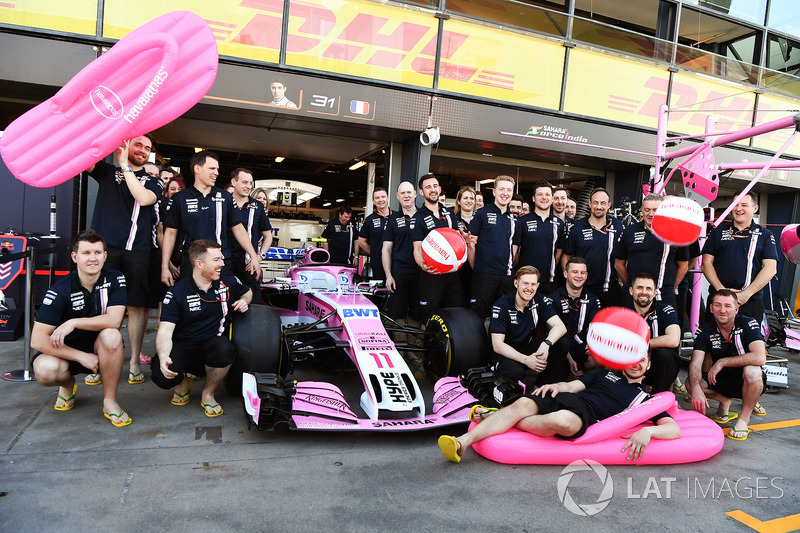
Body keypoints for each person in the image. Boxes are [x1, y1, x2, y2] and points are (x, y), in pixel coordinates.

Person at [438, 351, 681, 463]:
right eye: (633, 357)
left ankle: (497, 416)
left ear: (648, 366)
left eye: (642, 360)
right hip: (570, 399)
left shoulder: (645, 400)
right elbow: (573, 386)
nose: (636, 364)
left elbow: (673, 429)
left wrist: (648, 431)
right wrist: (555, 385)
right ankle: (461, 442)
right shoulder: (604, 374)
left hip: (586, 417)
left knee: (561, 421)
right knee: (524, 402)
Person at [31, 230, 131, 427]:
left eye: (97, 252)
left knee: (112, 336)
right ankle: (68, 386)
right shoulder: (59, 290)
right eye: (86, 253)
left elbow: (115, 321)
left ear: (105, 256)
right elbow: (37, 340)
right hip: (65, 352)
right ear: (75, 257)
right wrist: (80, 356)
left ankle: (109, 401)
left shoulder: (115, 278)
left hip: (98, 346)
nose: (92, 258)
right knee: (44, 370)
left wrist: (73, 322)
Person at [85, 135, 162, 386]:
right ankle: (96, 361)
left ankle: (133, 363)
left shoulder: (154, 181)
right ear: (126, 145)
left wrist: (127, 168)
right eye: (138, 144)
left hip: (138, 251)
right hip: (106, 250)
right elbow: (85, 154)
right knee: (101, 306)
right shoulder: (107, 171)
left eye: (148, 148)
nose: (143, 150)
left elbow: (144, 198)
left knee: (137, 307)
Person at [152, 240, 252, 417]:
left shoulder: (227, 282)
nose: (222, 263)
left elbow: (247, 291)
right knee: (162, 377)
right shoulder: (177, 292)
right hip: (183, 346)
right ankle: (182, 381)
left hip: (211, 345)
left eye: (222, 258)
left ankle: (208, 393)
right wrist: (163, 357)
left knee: (225, 349)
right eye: (216, 260)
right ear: (199, 264)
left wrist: (244, 300)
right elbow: (165, 331)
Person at [160, 151, 261, 286]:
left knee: (222, 305)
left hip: (221, 263)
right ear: (197, 169)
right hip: (192, 265)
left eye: (217, 169)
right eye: (212, 168)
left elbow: (238, 229)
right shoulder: (180, 198)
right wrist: (165, 267)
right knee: (190, 305)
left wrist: (254, 256)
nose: (216, 173)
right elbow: (170, 234)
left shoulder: (225, 197)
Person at [687, 289, 767, 441]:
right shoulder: (705, 329)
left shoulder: (748, 323)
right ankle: (724, 401)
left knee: (753, 371)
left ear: (736, 309)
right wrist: (696, 388)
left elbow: (760, 357)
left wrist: (722, 362)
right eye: (717, 305)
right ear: (711, 308)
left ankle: (743, 419)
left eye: (728, 306)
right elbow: (695, 363)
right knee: (691, 383)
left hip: (745, 380)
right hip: (720, 379)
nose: (722, 310)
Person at [701, 191, 778, 323]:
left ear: (755, 208)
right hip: (718, 300)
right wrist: (722, 291)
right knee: (713, 341)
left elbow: (770, 268)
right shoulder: (717, 231)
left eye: (744, 205)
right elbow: (706, 263)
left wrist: (746, 295)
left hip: (749, 301)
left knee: (749, 342)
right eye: (735, 204)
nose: (738, 208)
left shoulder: (765, 234)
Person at [489, 266, 566, 386]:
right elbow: (497, 345)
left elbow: (560, 327)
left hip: (526, 348)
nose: (529, 288)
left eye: (533, 284)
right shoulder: (501, 305)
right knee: (515, 371)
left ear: (537, 286)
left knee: (561, 343)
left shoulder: (539, 299)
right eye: (525, 283)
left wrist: (545, 345)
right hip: (505, 354)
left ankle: (541, 387)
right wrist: (527, 360)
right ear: (516, 283)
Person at [615, 194, 689, 307]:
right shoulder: (629, 232)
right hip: (633, 297)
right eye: (647, 210)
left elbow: (683, 266)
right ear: (642, 210)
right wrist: (632, 284)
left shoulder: (676, 233)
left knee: (668, 324)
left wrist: (669, 287)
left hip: (664, 296)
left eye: (655, 210)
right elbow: (619, 264)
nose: (651, 214)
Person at [411, 173, 465, 326]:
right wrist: (423, 265)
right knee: (427, 317)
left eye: (435, 186)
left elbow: (457, 240)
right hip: (431, 275)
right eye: (428, 187)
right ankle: (424, 348)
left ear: (440, 189)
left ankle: (451, 348)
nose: (433, 190)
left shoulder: (449, 213)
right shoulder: (418, 218)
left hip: (452, 274)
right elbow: (417, 248)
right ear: (421, 192)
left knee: (454, 314)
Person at [562, 187, 623, 308]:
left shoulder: (618, 226)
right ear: (590, 203)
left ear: (609, 205)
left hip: (610, 290)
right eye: (595, 202)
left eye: (603, 203)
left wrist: (622, 281)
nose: (599, 206)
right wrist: (570, 280)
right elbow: (566, 256)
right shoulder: (577, 227)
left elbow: (623, 257)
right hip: (583, 289)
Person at [383, 181, 422, 365]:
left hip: (422, 273)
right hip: (399, 272)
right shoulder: (392, 220)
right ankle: (399, 348)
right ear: (397, 197)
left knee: (416, 313)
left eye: (409, 192)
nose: (406, 196)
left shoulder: (425, 216)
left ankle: (411, 350)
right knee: (398, 312)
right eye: (402, 193)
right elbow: (386, 250)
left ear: (415, 194)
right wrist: (389, 275)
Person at [467, 175, 517, 319]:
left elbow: (514, 249)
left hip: (506, 276)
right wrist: (476, 269)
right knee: (479, 315)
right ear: (494, 192)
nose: (505, 193)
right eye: (501, 189)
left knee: (502, 316)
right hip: (484, 275)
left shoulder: (514, 219)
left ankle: (495, 342)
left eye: (509, 190)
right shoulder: (481, 214)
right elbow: (471, 244)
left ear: (512, 194)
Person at [625, 272, 681, 393]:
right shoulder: (624, 313)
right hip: (631, 365)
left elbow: (674, 339)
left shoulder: (665, 310)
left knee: (666, 354)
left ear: (655, 293)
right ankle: (625, 394)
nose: (644, 292)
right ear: (631, 290)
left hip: (658, 368)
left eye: (648, 288)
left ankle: (659, 399)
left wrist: (642, 344)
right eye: (639, 287)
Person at [548, 257, 601, 379]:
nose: (579, 276)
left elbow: (595, 326)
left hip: (579, 345)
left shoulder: (593, 300)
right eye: (575, 272)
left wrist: (592, 344)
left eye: (582, 272)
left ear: (587, 275)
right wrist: (570, 360)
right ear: (565, 273)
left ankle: (586, 383)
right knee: (559, 377)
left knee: (598, 358)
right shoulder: (553, 299)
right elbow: (552, 333)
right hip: (559, 346)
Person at [514, 180, 566, 295]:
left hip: (549, 280)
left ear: (552, 199)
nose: (544, 197)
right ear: (533, 198)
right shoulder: (522, 221)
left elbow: (559, 251)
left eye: (547, 194)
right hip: (525, 281)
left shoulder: (559, 224)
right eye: (540, 194)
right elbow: (515, 252)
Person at [228, 168, 272, 297]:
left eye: (250, 183)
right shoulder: (224, 203)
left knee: (252, 306)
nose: (248, 186)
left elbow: (268, 236)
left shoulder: (258, 206)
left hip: (249, 265)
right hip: (225, 264)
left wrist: (258, 257)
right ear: (234, 182)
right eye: (244, 182)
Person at [357, 187, 394, 280]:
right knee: (379, 293)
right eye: (377, 198)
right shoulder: (369, 220)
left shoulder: (397, 216)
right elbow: (361, 241)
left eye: (383, 197)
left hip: (396, 263)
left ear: (388, 198)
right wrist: (374, 252)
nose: (380, 200)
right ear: (373, 201)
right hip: (378, 264)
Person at [455, 186, 476, 303]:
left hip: (476, 265)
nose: (469, 201)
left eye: (472, 198)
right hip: (458, 267)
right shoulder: (453, 219)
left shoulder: (480, 219)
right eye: (465, 198)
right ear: (459, 201)